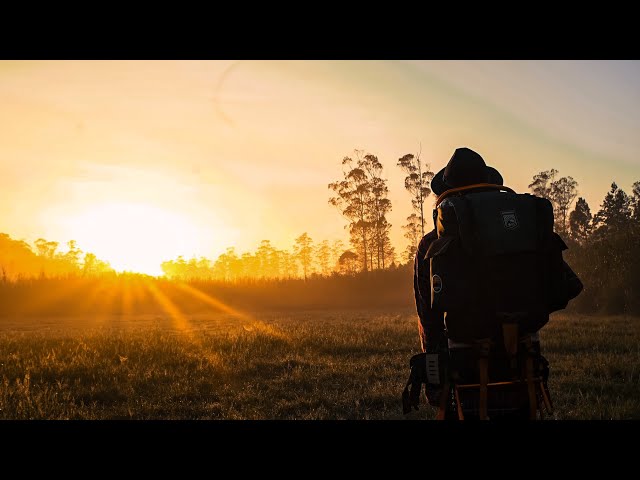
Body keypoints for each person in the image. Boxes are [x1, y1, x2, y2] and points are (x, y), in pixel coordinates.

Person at [411, 147, 583, 416]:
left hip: (466, 365)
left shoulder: (432, 244)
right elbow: (565, 285)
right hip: (524, 359)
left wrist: (435, 378)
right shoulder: (523, 230)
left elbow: (428, 317)